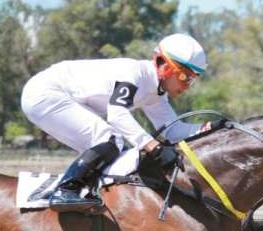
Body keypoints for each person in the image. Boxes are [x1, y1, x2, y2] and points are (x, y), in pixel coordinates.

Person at [21, 33, 211, 213]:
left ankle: (86, 191)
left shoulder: (156, 95)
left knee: (117, 153)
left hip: (54, 97)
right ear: (165, 67)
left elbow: (174, 130)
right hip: (46, 92)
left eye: (192, 80)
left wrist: (210, 128)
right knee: (111, 139)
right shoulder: (135, 73)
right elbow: (116, 114)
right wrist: (153, 146)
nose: (187, 86)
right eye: (185, 77)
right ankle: (66, 190)